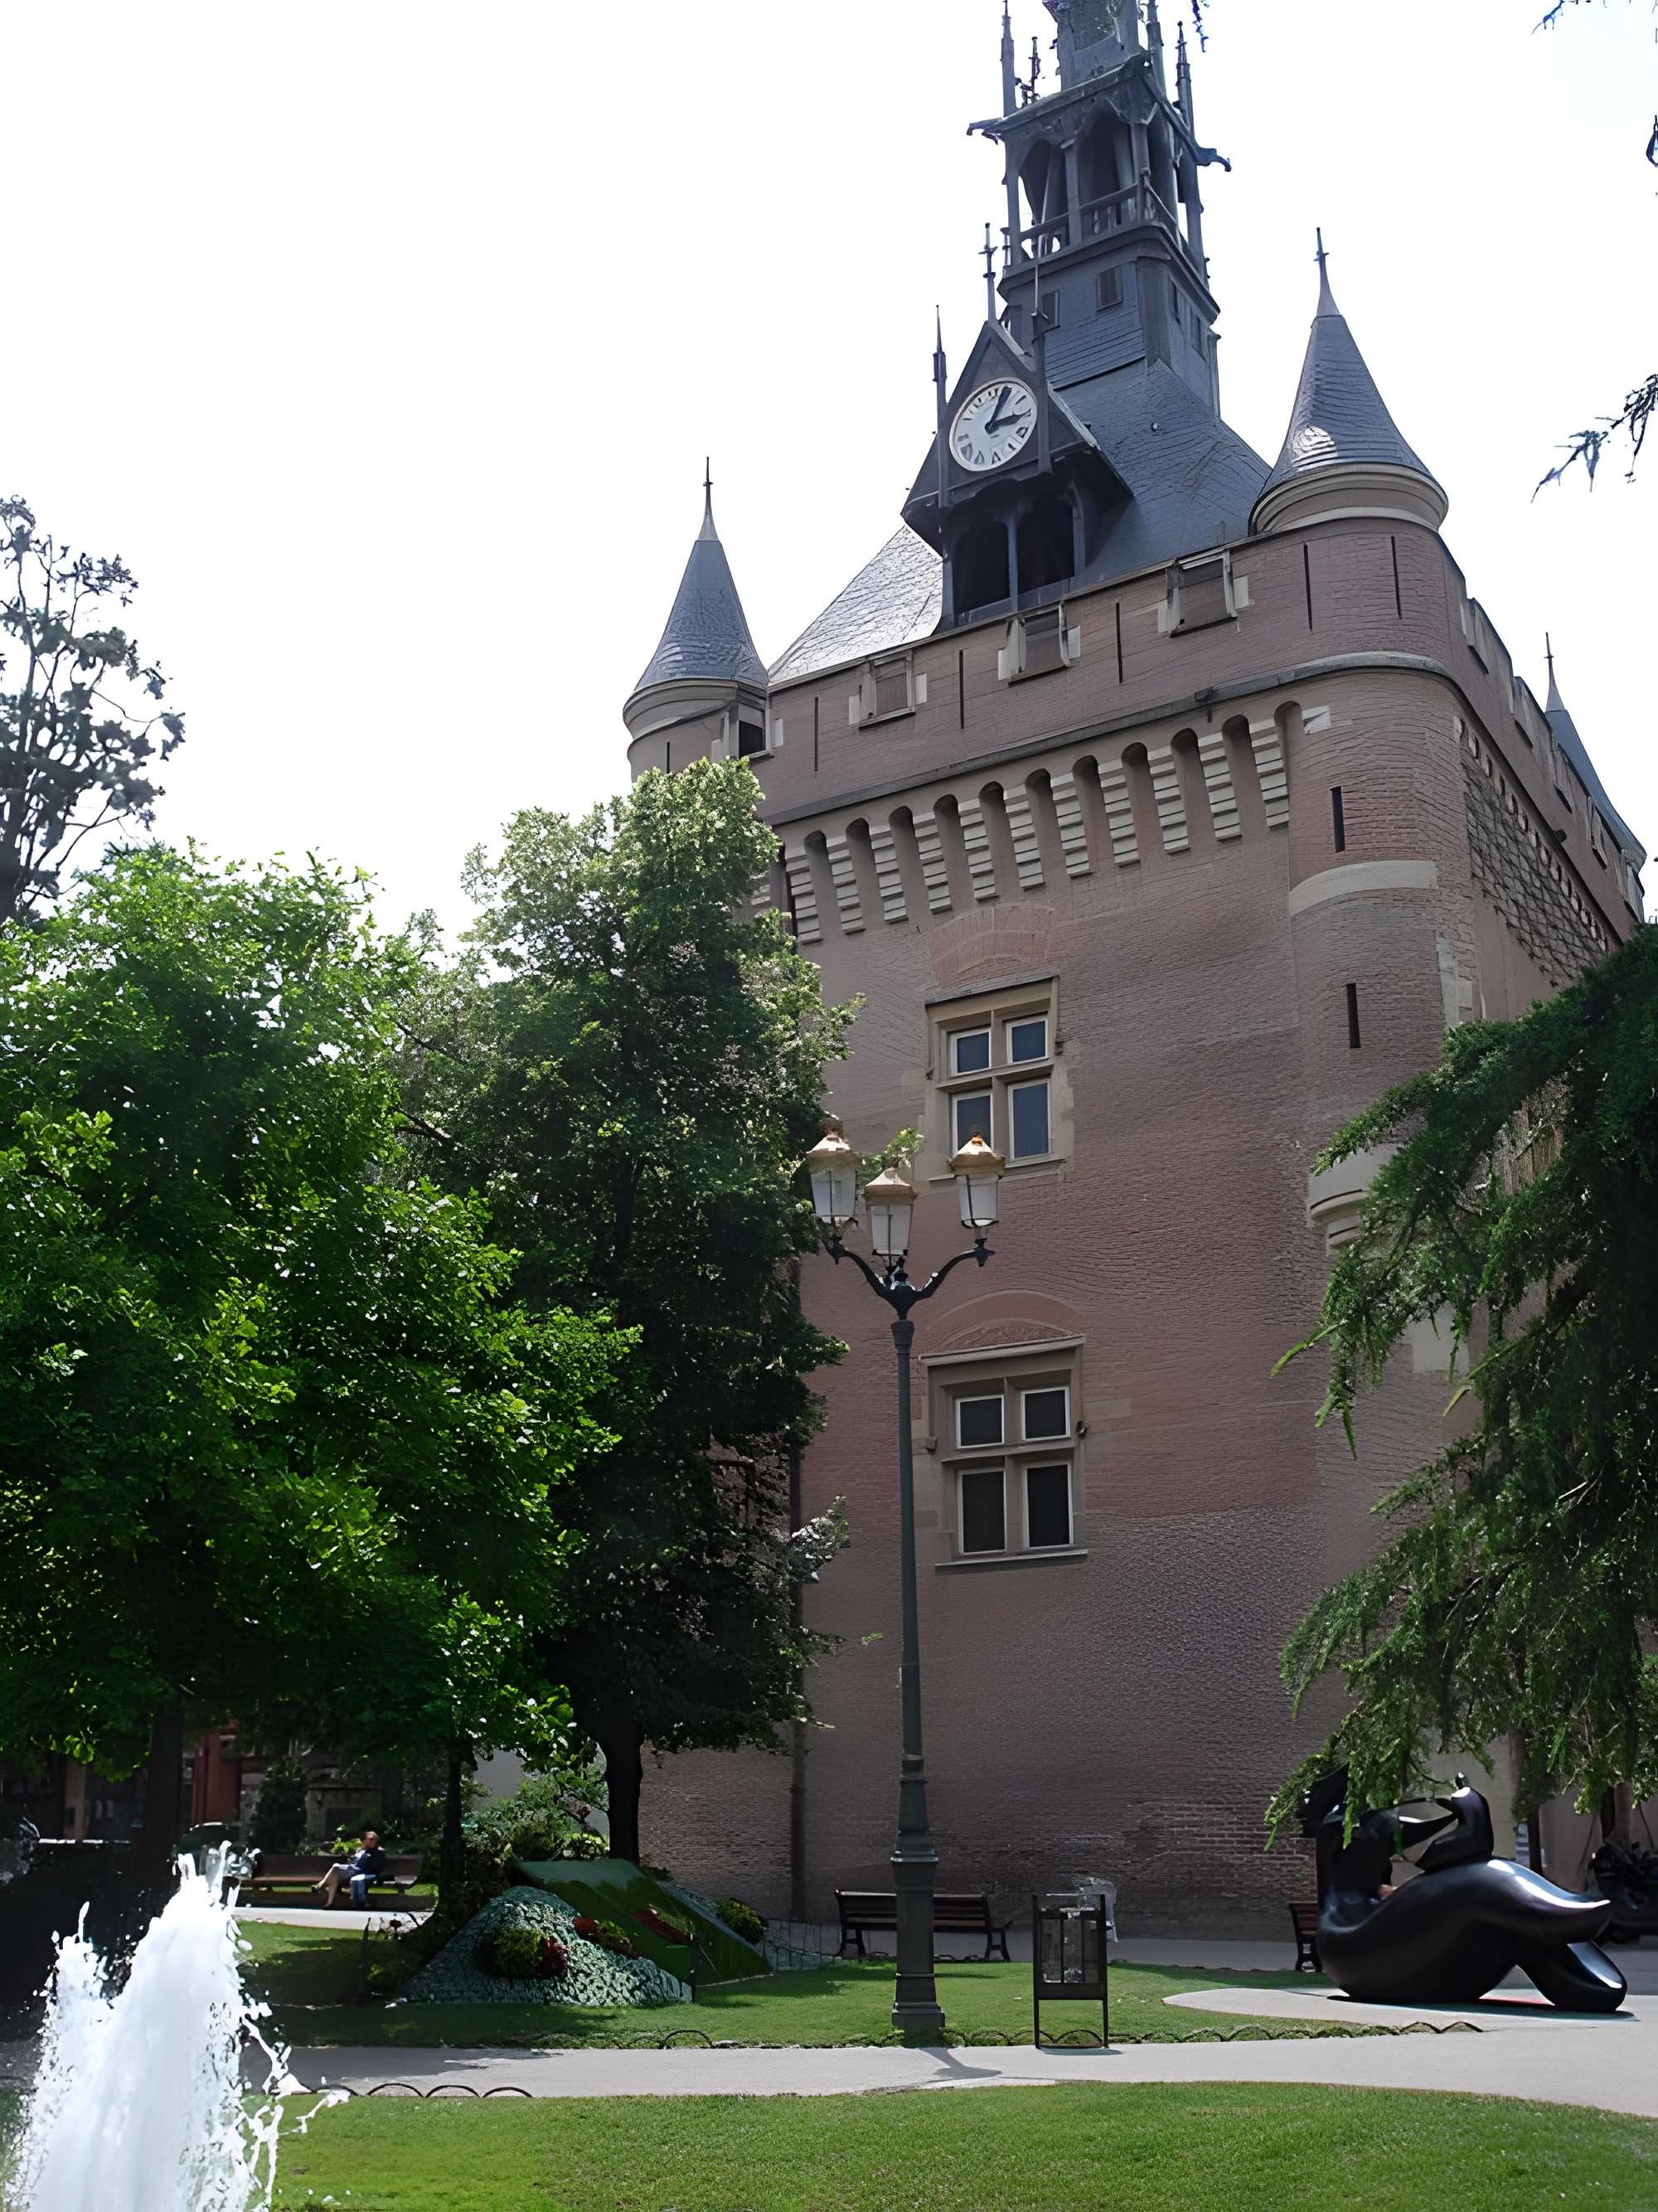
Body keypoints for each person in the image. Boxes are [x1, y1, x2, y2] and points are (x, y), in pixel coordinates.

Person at [313, 1830, 389, 1908]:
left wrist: (353, 1866)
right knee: (334, 1876)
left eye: (373, 1839)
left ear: (377, 1840)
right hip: (353, 1871)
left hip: (363, 1873)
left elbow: (370, 1867)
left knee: (335, 1867)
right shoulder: (363, 1851)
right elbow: (355, 1863)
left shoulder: (379, 1852)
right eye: (368, 1839)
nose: (370, 1841)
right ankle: (329, 1903)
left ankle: (320, 1886)